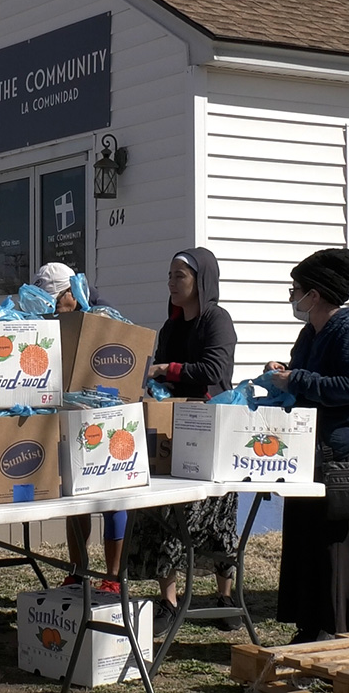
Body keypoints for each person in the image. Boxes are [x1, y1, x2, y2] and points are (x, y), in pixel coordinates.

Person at [268, 248, 349, 643]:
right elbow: (302, 375)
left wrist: (296, 381)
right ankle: (310, 623)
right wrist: (284, 373)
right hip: (304, 451)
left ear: (313, 295)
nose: (291, 296)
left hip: (338, 456)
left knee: (335, 545)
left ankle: (342, 627)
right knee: (304, 541)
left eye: (295, 289)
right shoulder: (311, 333)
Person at [129, 247, 241, 636]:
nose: (172, 283)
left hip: (213, 429)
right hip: (175, 429)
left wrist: (168, 369)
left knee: (218, 517)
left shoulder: (217, 320)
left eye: (180, 276)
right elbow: (159, 372)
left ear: (201, 280)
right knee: (165, 514)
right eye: (170, 276)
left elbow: (215, 369)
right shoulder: (171, 326)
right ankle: (170, 601)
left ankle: (226, 596)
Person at [32, 262, 124, 593]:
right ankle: (77, 571)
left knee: (113, 498)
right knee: (77, 494)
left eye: (56, 300)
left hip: (110, 417)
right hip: (72, 413)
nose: (51, 308)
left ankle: (113, 577)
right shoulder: (56, 321)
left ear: (71, 293)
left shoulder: (104, 318)